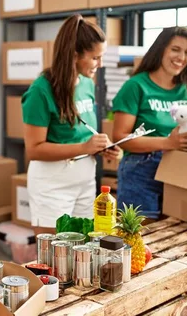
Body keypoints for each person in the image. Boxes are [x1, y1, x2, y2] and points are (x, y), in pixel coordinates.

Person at [21, 15, 120, 236]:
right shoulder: (40, 90)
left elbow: (80, 133)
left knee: (82, 252)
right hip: (52, 185)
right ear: (75, 55)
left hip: (85, 179)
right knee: (54, 257)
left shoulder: (86, 83)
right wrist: (85, 148)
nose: (100, 64)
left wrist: (102, 147)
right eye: (95, 58)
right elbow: (34, 149)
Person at [111, 26, 187, 221]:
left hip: (180, 172)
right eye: (175, 49)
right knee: (141, 241)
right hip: (141, 174)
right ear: (160, 49)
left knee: (174, 240)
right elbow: (120, 138)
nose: (181, 57)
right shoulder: (136, 86)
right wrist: (168, 143)